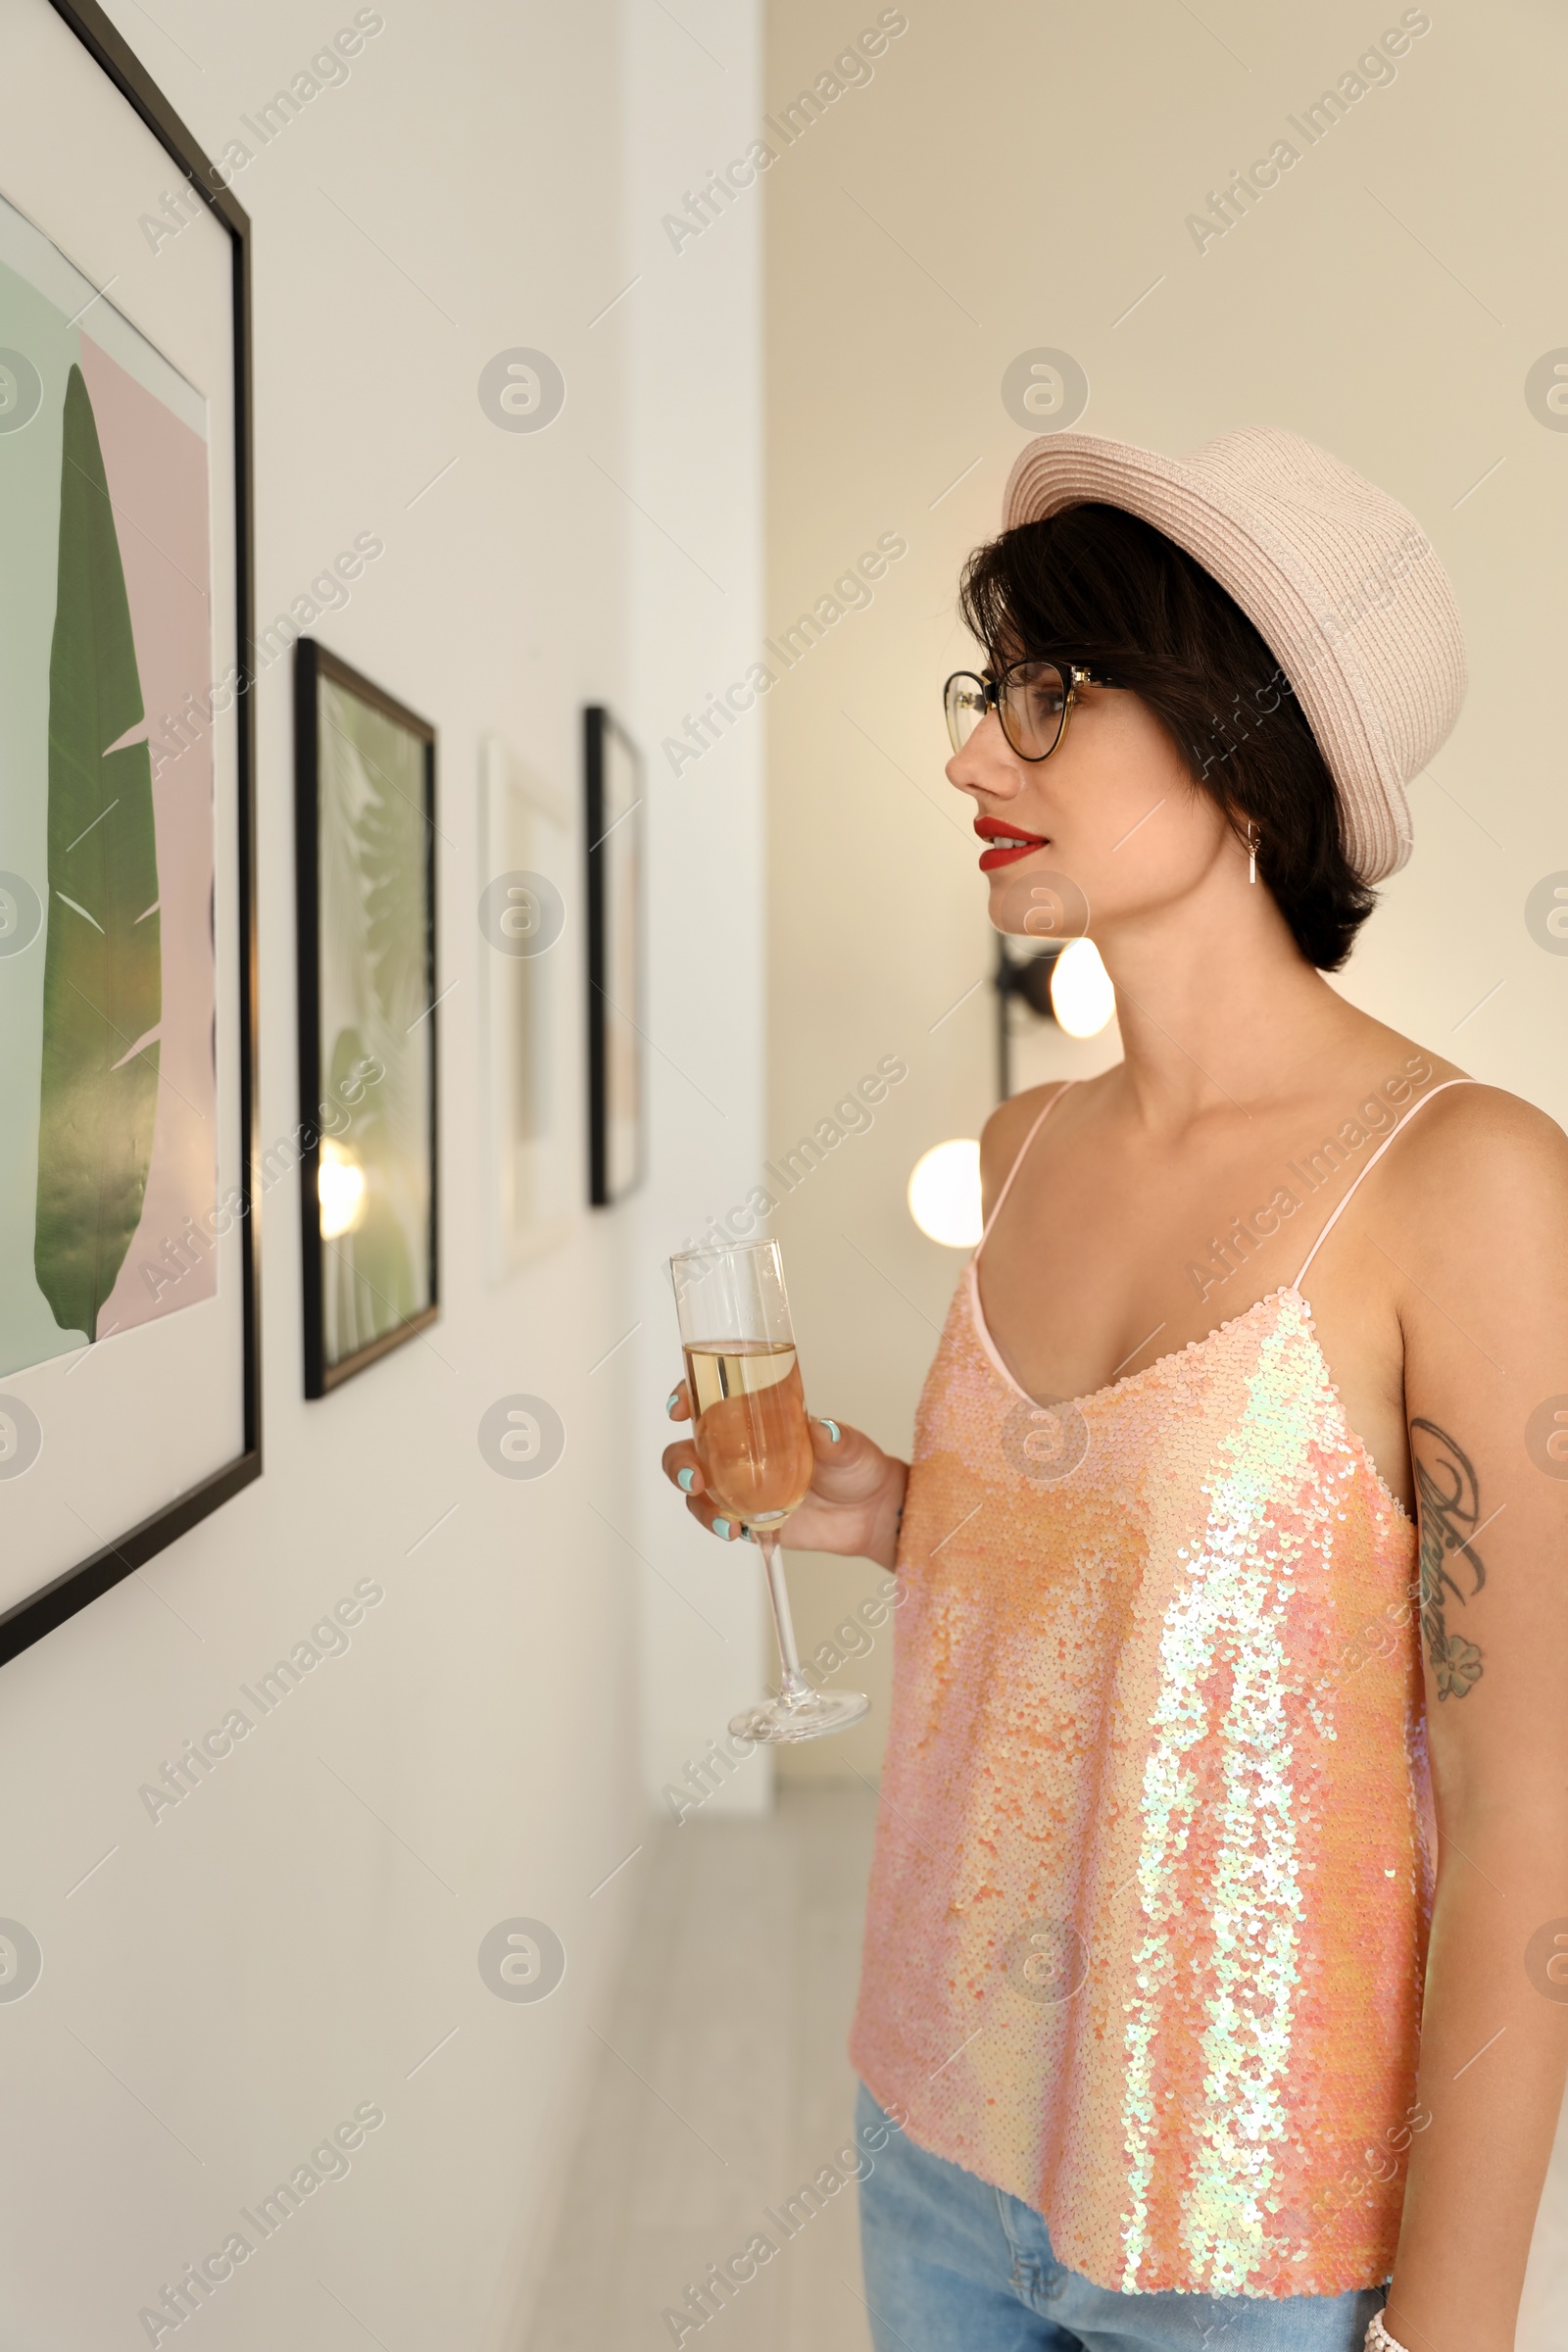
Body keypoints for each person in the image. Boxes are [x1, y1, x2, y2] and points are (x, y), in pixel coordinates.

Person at [662, 425, 1568, 2352]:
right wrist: (887, 1511)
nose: (972, 755)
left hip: (1250, 2232)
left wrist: (1459, 2316)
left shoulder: (1465, 1184)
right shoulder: (1014, 1156)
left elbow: (1524, 1796)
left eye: (1048, 698)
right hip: (929, 2126)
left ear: (1241, 747)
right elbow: (1185, 1600)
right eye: (985, 693)